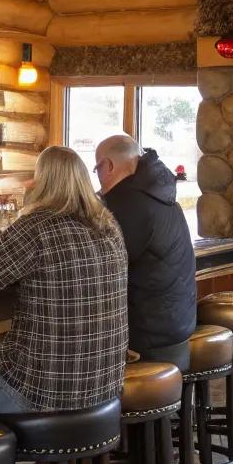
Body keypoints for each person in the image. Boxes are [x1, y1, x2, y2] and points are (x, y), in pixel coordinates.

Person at [0, 145, 128, 413]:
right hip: (105, 390)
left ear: (43, 181)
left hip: (41, 393)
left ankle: (2, 449)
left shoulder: (36, 228)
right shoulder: (108, 226)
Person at [94, 133, 196, 370]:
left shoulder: (128, 204)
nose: (97, 178)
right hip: (177, 322)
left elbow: (101, 269)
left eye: (96, 169)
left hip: (149, 335)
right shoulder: (159, 192)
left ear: (108, 166)